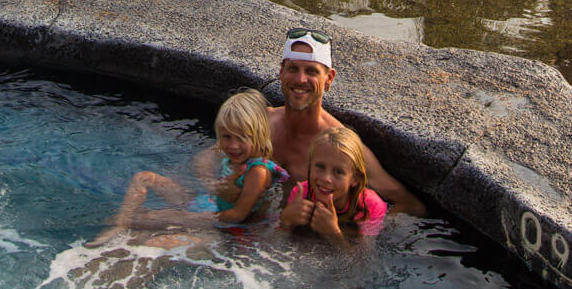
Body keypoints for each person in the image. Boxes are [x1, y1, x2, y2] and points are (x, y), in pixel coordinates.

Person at [255, 29, 425, 223]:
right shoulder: (260, 124)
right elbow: (214, 163)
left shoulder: (340, 146)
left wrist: (344, 232)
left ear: (329, 79)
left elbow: (411, 206)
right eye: (293, 68)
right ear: (281, 72)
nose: (300, 79)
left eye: (311, 71)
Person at [93, 90, 286, 243]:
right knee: (144, 177)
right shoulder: (235, 155)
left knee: (157, 218)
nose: (233, 146)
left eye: (242, 138)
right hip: (206, 203)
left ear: (259, 136)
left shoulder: (258, 172)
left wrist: (187, 218)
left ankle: (129, 226)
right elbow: (204, 163)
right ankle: (120, 223)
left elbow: (237, 215)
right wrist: (212, 187)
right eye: (227, 137)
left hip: (218, 225)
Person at [285, 126, 387, 245]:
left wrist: (333, 234)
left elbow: (364, 260)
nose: (326, 178)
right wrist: (285, 220)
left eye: (338, 172)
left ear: (355, 179)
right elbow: (277, 243)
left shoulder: (370, 206)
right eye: (320, 166)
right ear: (309, 165)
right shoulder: (301, 194)